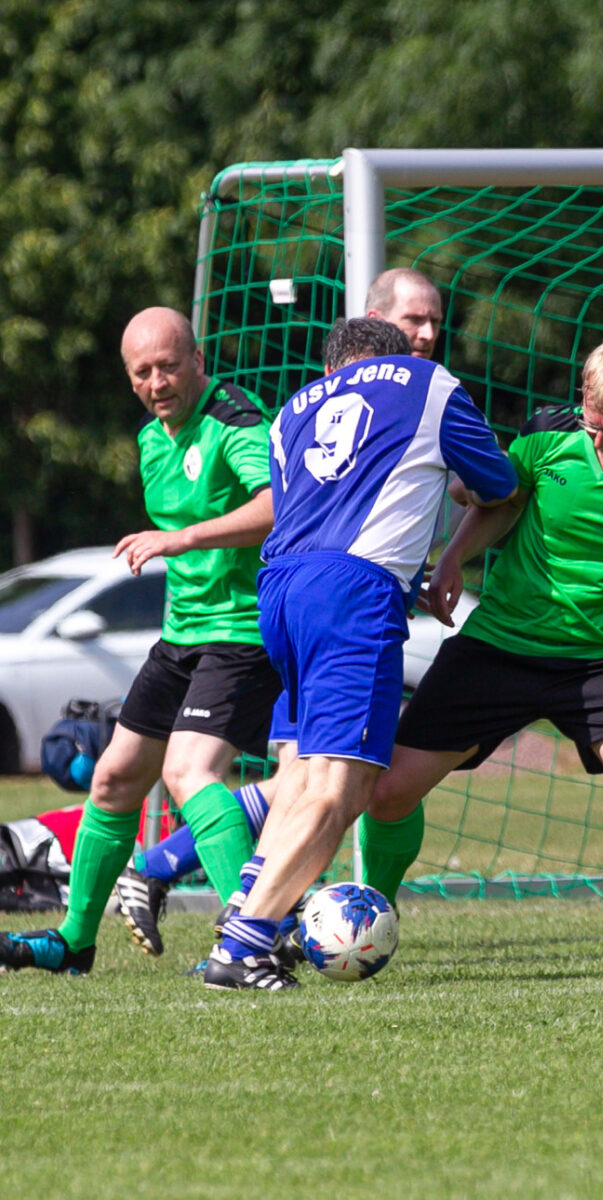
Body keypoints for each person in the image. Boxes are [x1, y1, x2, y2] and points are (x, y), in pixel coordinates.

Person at [358, 335, 603, 977]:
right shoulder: (549, 433)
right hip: (502, 645)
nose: (600, 442)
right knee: (386, 795)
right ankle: (371, 918)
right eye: (593, 424)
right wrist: (458, 555)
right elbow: (504, 500)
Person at [115, 265, 451, 958]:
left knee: (320, 778)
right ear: (375, 320)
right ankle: (252, 930)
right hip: (290, 615)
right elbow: (289, 507)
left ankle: (181, 886)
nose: (426, 334)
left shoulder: (273, 412)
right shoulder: (308, 410)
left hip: (276, 613)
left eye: (433, 321)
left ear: (196, 362)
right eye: (412, 321)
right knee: (328, 781)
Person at [204, 316, 517, 990]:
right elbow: (499, 483)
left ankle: (249, 903)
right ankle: (244, 945)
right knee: (343, 788)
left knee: (300, 773)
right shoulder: (426, 381)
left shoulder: (291, 411)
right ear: (395, 356)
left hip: (281, 593)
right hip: (355, 590)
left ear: (331, 370)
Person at [0, 307, 280, 975]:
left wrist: (180, 538)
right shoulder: (153, 439)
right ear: (129, 380)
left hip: (241, 634)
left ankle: (260, 932)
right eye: (142, 372)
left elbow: (279, 505)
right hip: (182, 635)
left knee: (191, 774)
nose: (158, 381)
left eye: (168, 366)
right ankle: (74, 943)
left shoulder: (234, 418)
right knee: (115, 779)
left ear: (197, 359)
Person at [364, 266, 444, 360]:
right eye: (414, 319)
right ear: (375, 322)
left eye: (435, 321)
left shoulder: (439, 374)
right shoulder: (345, 373)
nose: (429, 335)